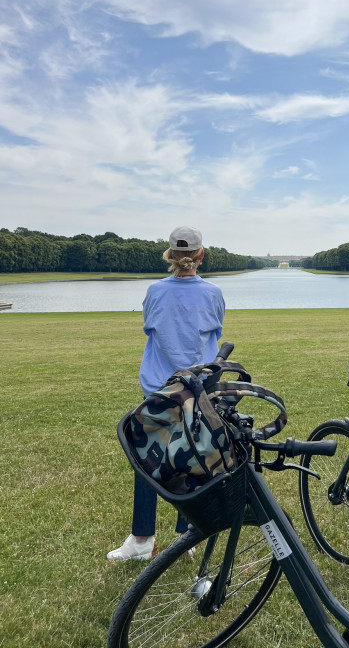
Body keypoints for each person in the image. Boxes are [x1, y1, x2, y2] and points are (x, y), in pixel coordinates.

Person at [107, 225, 225, 561]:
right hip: (197, 387)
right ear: (201, 255)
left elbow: (150, 326)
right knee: (194, 458)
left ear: (170, 255)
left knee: (147, 458)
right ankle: (187, 535)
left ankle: (143, 539)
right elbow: (216, 330)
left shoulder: (155, 291)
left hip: (158, 387)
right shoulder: (213, 292)